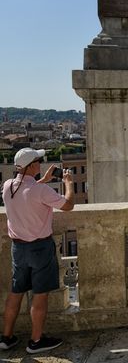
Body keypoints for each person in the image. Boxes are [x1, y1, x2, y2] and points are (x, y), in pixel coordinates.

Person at [0, 148, 74, 354]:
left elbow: (27, 193)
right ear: (32, 165)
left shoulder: (7, 186)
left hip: (18, 248)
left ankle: (6, 337)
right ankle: (35, 341)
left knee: (16, 293)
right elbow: (68, 205)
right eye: (39, 161)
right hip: (40, 248)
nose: (41, 163)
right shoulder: (40, 192)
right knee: (39, 295)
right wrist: (68, 184)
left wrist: (44, 180)